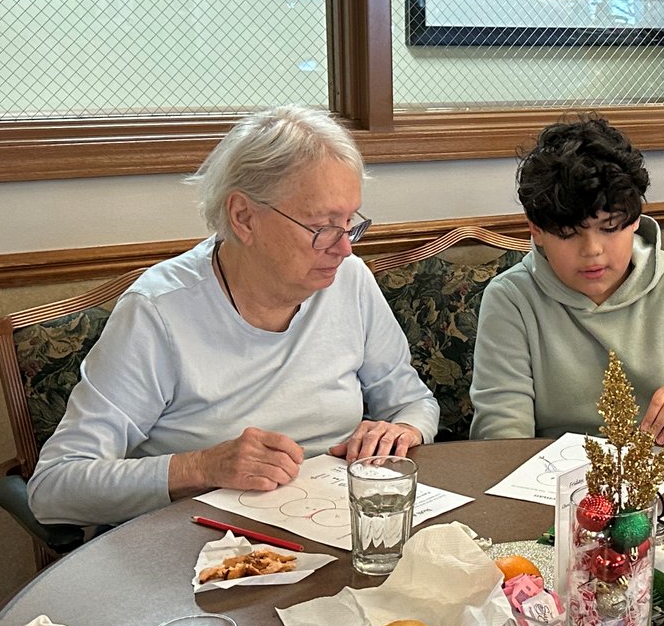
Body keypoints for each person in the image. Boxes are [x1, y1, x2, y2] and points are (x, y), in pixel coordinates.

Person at [28, 106, 440, 527]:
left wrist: (403, 430)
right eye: (322, 226)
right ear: (244, 217)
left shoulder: (349, 279)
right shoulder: (159, 312)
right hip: (198, 543)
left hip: (329, 524)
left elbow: (412, 401)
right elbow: (54, 488)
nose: (344, 247)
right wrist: (200, 467)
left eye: (349, 222)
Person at [469, 115, 664, 448]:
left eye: (610, 228)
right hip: (552, 472)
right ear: (536, 230)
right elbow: (503, 435)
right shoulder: (511, 298)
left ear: (635, 219)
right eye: (568, 233)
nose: (592, 251)